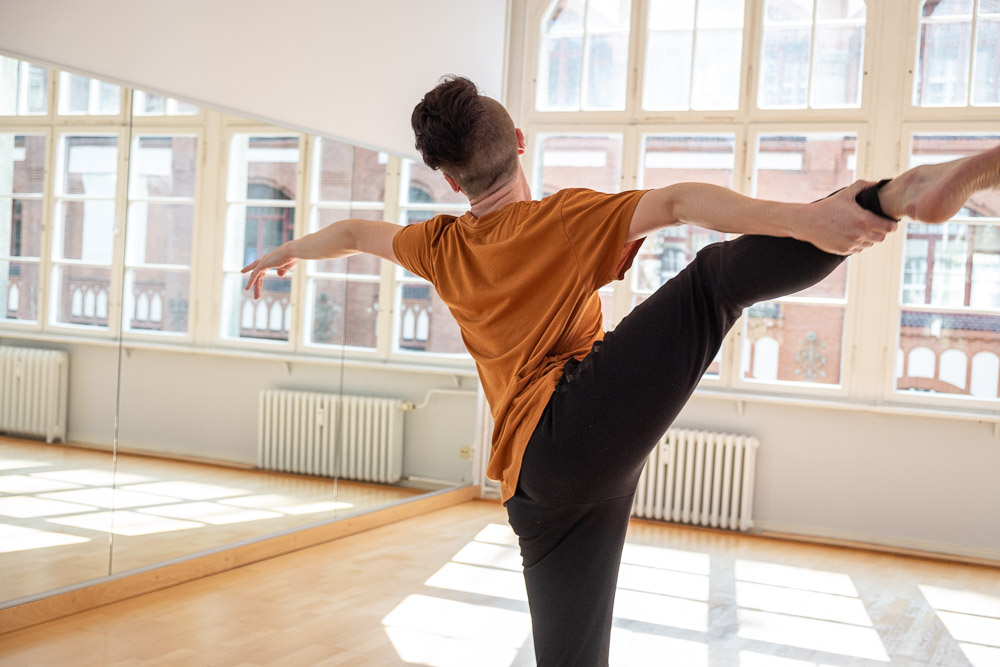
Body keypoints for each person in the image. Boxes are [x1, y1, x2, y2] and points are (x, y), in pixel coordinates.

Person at [243, 76, 1000, 666]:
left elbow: (353, 231)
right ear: (519, 140)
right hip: (570, 433)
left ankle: (889, 197)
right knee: (711, 282)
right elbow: (678, 202)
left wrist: (285, 251)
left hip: (534, 489)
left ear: (449, 180)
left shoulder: (436, 246)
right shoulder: (558, 220)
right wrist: (806, 218)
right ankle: (891, 197)